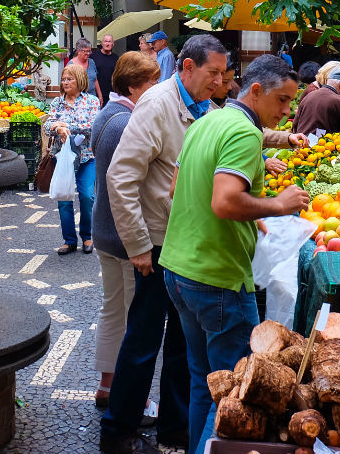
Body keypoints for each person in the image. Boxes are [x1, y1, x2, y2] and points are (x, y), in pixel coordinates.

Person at [161, 55, 310, 454]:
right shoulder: (244, 132)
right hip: (218, 279)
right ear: (256, 91)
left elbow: (179, 189)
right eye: (281, 100)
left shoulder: (206, 122)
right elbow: (225, 202)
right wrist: (278, 205)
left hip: (178, 270)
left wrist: (253, 218)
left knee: (204, 381)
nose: (285, 111)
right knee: (233, 390)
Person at [100, 35, 227, 454]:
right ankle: (118, 431)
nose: (219, 82)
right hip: (154, 244)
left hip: (183, 241)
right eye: (213, 74)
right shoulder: (157, 105)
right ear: (186, 67)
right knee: (143, 338)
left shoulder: (201, 106)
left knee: (181, 342)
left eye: (223, 75)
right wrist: (136, 245)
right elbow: (121, 178)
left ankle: (175, 426)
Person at [90, 52, 163, 411]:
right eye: (151, 81)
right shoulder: (127, 123)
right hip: (125, 237)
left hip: (104, 229)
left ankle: (107, 386)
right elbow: (129, 185)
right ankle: (132, 399)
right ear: (133, 86)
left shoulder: (106, 115)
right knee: (134, 320)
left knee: (112, 311)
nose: (157, 87)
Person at [47, 63, 102, 255]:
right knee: (64, 198)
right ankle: (69, 240)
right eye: (63, 79)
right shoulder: (56, 103)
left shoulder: (92, 101)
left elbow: (92, 126)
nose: (65, 82)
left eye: (69, 79)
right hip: (62, 158)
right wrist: (57, 128)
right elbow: (47, 126)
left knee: (87, 196)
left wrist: (65, 125)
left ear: (79, 80)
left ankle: (87, 236)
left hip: (87, 157)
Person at [292, 70, 340, 135]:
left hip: (301, 141)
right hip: (321, 143)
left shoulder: (308, 96)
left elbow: (295, 124)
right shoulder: (339, 101)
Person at [92, 33, 119, 103]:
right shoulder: (93, 57)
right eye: (105, 41)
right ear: (102, 43)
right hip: (96, 94)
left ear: (113, 44)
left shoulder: (116, 58)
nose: (107, 44)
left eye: (109, 41)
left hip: (112, 95)